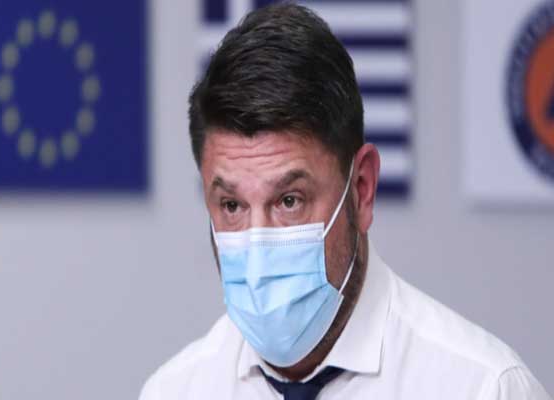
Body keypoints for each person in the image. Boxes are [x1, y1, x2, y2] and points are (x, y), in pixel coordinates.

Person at [140, 3, 551, 399]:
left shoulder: (483, 389)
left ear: (362, 188)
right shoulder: (174, 391)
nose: (258, 246)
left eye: (289, 200)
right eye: (232, 206)